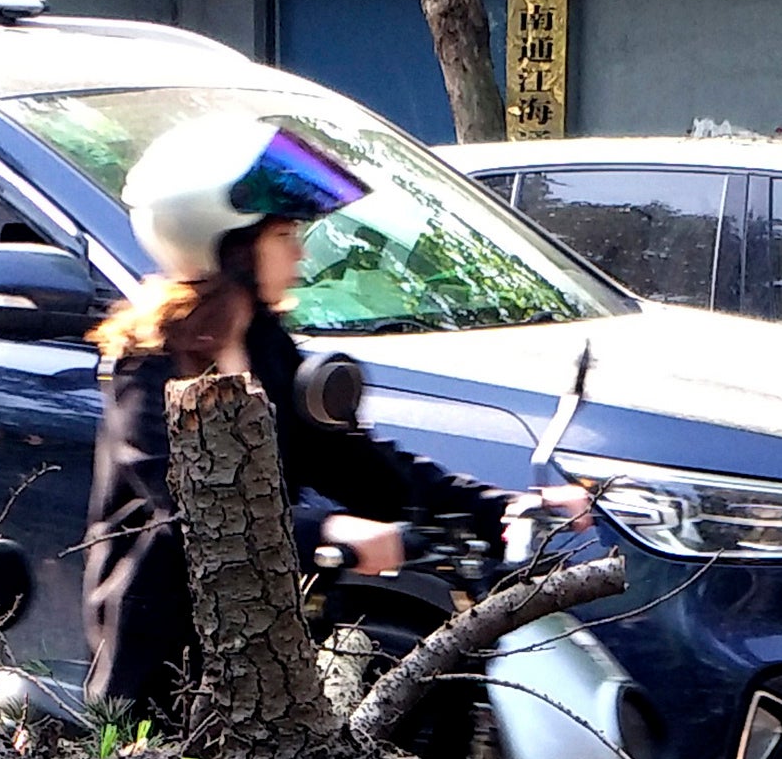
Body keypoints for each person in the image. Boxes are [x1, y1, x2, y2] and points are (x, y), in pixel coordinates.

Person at [79, 114, 533, 721]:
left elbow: (352, 460)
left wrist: (491, 505)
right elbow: (185, 507)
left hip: (263, 635)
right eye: (284, 233)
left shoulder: (267, 346)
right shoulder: (149, 363)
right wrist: (328, 532)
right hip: (164, 653)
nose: (301, 250)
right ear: (233, 245)